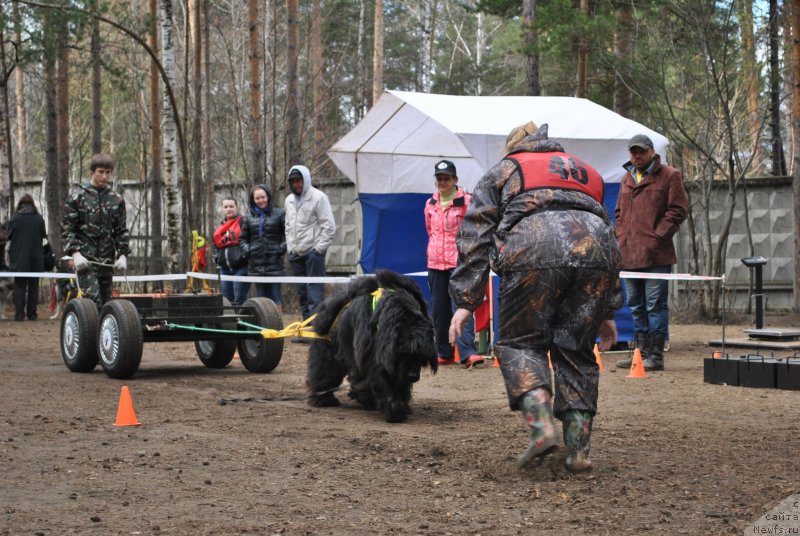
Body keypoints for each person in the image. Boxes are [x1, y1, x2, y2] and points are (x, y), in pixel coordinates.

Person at [449, 123, 621, 473]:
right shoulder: (587, 171)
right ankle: (578, 450)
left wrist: (467, 300)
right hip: (597, 252)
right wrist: (609, 309)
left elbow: (475, 231)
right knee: (576, 350)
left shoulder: (506, 169)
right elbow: (606, 233)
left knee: (520, 343)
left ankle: (542, 428)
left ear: (514, 146)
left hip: (534, 245)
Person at [613, 134, 688, 372]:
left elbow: (678, 210)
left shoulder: (670, 175)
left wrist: (658, 236)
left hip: (656, 255)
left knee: (655, 305)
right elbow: (618, 213)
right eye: (633, 152)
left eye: (641, 152)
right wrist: (620, 235)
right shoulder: (626, 178)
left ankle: (655, 355)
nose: (637, 156)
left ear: (652, 152)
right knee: (635, 305)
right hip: (629, 254)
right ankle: (640, 353)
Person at [424, 159, 483, 368]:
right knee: (439, 310)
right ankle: (444, 353)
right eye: (439, 178)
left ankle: (467, 353)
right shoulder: (430, 204)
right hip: (435, 263)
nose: (442, 181)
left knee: (462, 305)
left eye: (446, 178)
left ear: (455, 179)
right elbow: (430, 230)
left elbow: (476, 228)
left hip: (460, 262)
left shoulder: (467, 201)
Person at [62, 153, 130, 306]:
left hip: (107, 262)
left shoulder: (116, 199)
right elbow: (68, 229)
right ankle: (90, 329)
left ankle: (102, 331)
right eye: (101, 172)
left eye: (108, 172)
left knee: (107, 305)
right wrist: (75, 253)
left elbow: (120, 230)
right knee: (92, 302)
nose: (104, 176)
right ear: (92, 172)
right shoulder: (77, 198)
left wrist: (123, 255)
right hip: (85, 261)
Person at [285, 165, 336, 330]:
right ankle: (306, 328)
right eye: (293, 181)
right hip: (296, 254)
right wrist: (290, 248)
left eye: (299, 180)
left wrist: (318, 250)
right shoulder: (289, 200)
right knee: (302, 293)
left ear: (305, 179)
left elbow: (329, 226)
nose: (296, 184)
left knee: (315, 293)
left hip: (313, 253)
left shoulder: (319, 197)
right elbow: (288, 225)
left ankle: (317, 330)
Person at [241, 185, 286, 305]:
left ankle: (276, 323)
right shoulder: (248, 216)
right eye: (257, 198)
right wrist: (248, 250)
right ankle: (262, 323)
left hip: (275, 264)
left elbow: (288, 236)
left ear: (268, 197)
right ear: (253, 199)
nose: (261, 201)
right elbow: (243, 239)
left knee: (275, 297)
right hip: (256, 265)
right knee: (260, 300)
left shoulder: (280, 214)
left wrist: (279, 249)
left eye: (263, 197)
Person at [6, 194, 47, 320]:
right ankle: (32, 314)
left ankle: (19, 315)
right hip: (36, 258)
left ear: (20, 204)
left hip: (19, 258)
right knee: (34, 287)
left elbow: (8, 236)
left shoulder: (14, 219)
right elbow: (44, 236)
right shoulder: (39, 219)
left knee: (20, 286)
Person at [212, 196, 250, 305]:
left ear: (236, 208)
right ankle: (230, 322)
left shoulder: (243, 221)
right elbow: (215, 244)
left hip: (241, 267)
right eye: (226, 207)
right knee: (227, 300)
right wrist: (216, 257)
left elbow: (249, 239)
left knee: (239, 299)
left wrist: (244, 256)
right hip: (225, 269)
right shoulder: (220, 226)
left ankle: (241, 321)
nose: (229, 209)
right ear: (223, 209)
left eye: (231, 206)